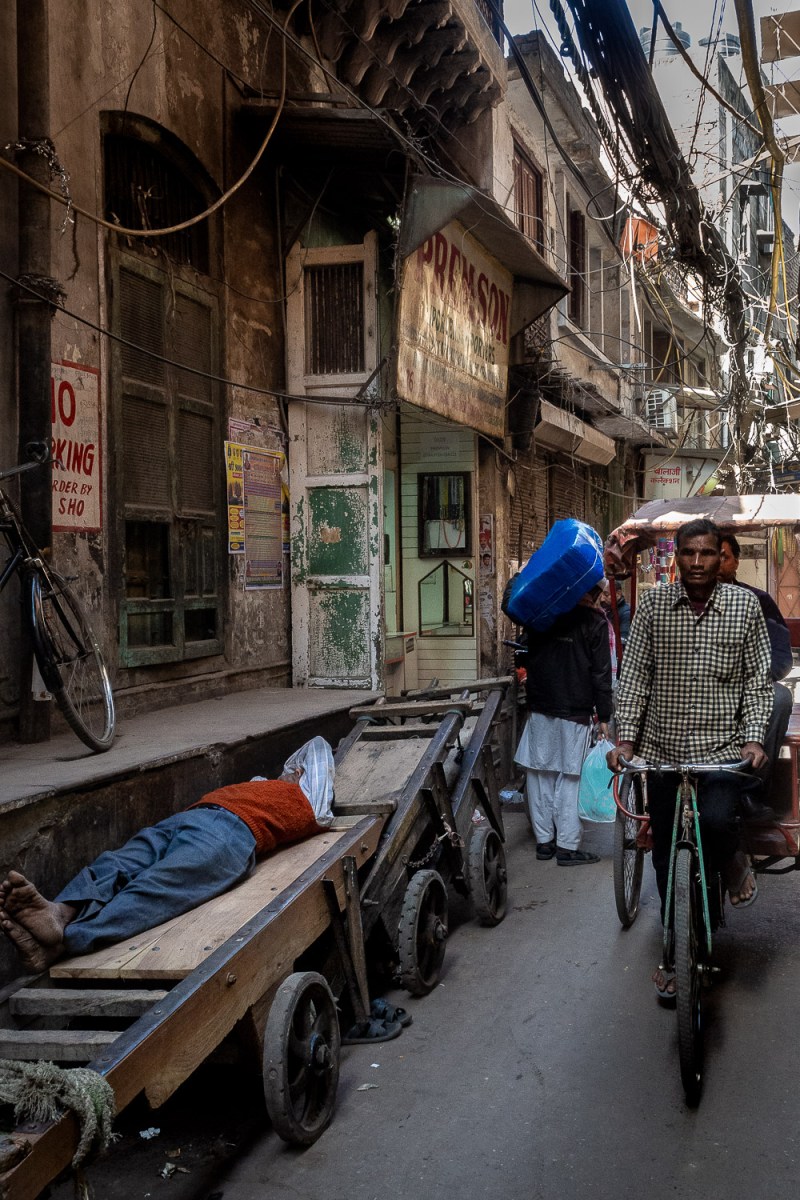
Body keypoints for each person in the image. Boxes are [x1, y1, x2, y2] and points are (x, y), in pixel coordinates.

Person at [606, 519, 772, 999]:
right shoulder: (655, 606)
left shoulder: (744, 607)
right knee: (663, 856)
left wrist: (755, 740)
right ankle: (678, 949)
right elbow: (635, 677)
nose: (698, 562)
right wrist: (626, 742)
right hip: (662, 753)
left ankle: (734, 860)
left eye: (707, 554)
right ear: (676, 558)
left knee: (719, 824)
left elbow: (758, 684)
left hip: (720, 754)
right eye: (689, 554)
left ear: (721, 557)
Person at [0, 737, 335, 973]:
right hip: (190, 818)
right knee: (116, 862)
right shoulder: (260, 784)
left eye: (298, 771)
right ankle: (60, 911)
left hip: (232, 834)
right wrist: (280, 774)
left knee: (154, 888)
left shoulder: (310, 802)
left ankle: (64, 943)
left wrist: (293, 775)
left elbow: (318, 747)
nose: (292, 772)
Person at [513, 581, 613, 865]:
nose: (600, 598)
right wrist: (604, 715)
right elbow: (601, 673)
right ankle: (567, 847)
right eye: (598, 593)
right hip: (574, 711)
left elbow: (525, 653)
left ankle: (545, 843)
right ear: (589, 593)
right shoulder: (595, 622)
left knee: (539, 775)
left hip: (540, 706)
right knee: (570, 778)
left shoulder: (543, 614)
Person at [718, 531, 793, 787]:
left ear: (736, 561)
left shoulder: (758, 601)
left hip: (749, 687)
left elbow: (781, 658)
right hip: (700, 688)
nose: (714, 563)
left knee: (781, 697)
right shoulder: (681, 602)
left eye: (723, 556)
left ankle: (752, 790)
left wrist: (749, 679)